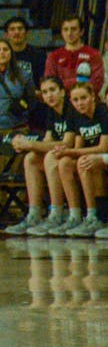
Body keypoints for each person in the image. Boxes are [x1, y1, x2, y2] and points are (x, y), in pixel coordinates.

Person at [4, 78, 72, 234]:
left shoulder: (70, 109)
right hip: (61, 155)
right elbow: (48, 141)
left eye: (52, 90)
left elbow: (66, 144)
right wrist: (23, 144)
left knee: (49, 157)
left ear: (62, 92)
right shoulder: (51, 112)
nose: (49, 95)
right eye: (45, 92)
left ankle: (57, 214)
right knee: (32, 158)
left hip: (74, 154)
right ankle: (34, 214)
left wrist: (31, 144)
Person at [54, 83, 108, 237]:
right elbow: (79, 146)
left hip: (103, 157)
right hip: (94, 157)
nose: (80, 103)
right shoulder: (76, 115)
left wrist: (71, 151)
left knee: (87, 162)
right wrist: (64, 152)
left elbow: (103, 148)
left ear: (92, 97)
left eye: (83, 98)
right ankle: (77, 215)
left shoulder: (103, 112)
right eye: (75, 100)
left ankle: (98, 217)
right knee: (66, 162)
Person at [44, 14, 103, 94]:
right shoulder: (54, 56)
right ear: (61, 32)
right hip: (62, 103)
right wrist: (79, 80)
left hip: (86, 102)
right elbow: (50, 85)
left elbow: (96, 83)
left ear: (81, 32)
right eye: (65, 29)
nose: (69, 33)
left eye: (73, 29)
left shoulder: (93, 54)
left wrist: (64, 83)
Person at [3, 16, 50, 88]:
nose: (16, 32)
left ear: (26, 33)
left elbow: (43, 81)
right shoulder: (1, 56)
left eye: (20, 29)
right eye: (12, 29)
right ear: (6, 35)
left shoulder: (39, 55)